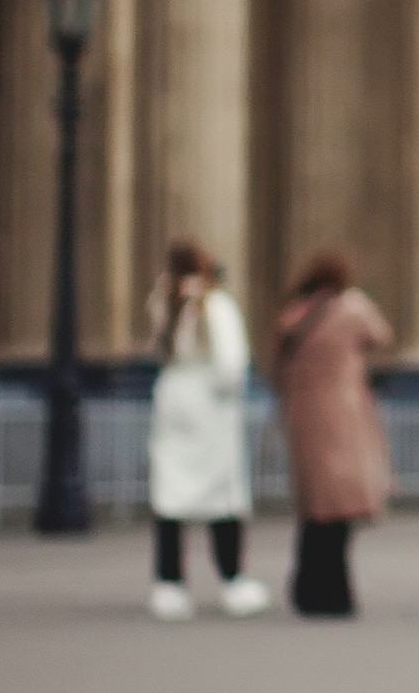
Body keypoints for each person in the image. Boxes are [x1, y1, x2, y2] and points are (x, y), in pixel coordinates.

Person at [145, 239, 266, 619]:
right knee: (223, 500)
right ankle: (232, 580)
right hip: (210, 408)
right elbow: (232, 365)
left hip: (173, 399)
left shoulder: (164, 303)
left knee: (170, 499)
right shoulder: (217, 305)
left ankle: (170, 585)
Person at [271, 250, 395, 616]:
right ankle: (336, 594)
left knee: (313, 508)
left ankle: (306, 589)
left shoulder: (296, 313)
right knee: (340, 508)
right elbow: (381, 336)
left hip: (302, 416)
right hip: (343, 413)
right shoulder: (351, 308)